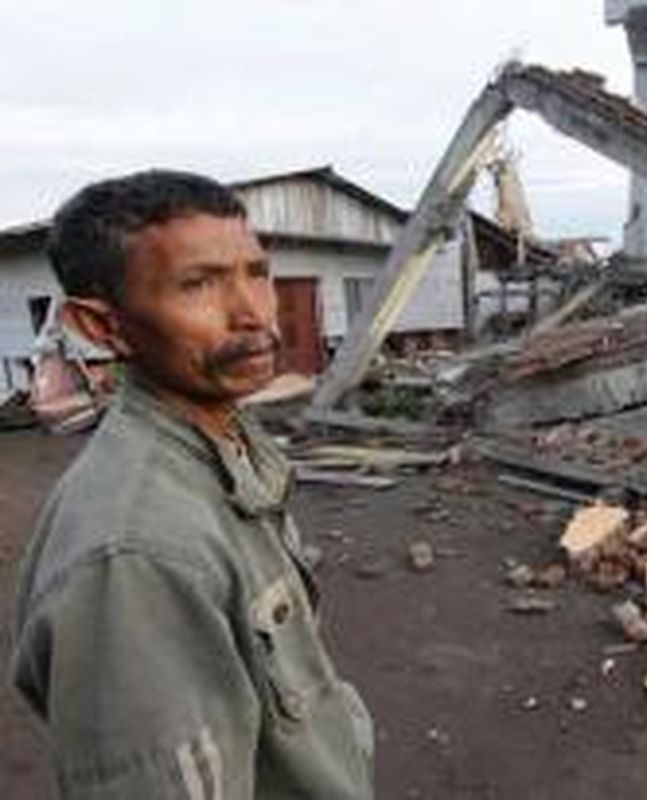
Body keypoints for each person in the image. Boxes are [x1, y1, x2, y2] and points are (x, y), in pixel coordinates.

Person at [10, 170, 374, 798]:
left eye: (256, 274)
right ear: (103, 327)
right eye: (198, 284)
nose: (254, 314)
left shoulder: (226, 439)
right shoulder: (133, 556)